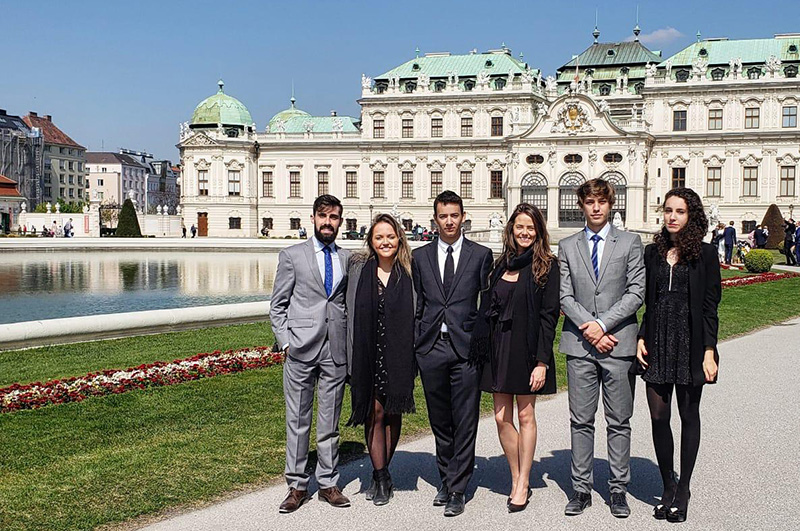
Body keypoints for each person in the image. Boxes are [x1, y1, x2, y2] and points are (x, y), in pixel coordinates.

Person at [558, 178, 645, 519]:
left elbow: (636, 292)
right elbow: (565, 295)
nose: (595, 207)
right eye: (589, 202)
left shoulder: (630, 243)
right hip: (581, 345)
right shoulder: (567, 246)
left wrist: (604, 324)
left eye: (601, 201)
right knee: (580, 420)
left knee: (619, 420)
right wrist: (592, 330)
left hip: (618, 344)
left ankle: (618, 489)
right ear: (581, 205)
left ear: (611, 205)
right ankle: (581, 488)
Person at [469, 203, 560, 513]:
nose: (525, 232)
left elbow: (549, 317)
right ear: (511, 229)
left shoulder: (546, 265)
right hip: (497, 348)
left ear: (539, 232)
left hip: (527, 349)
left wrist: (542, 362)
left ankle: (522, 483)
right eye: (520, 226)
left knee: (525, 416)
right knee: (500, 417)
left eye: (530, 228)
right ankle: (516, 473)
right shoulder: (500, 264)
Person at [637, 188, 721, 523]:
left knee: (688, 416)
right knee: (659, 417)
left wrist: (710, 350)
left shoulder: (705, 254)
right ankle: (666, 483)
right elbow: (648, 301)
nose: (672, 216)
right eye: (668, 210)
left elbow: (710, 307)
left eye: (680, 211)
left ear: (691, 216)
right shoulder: (652, 253)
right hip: (657, 340)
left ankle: (683, 488)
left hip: (690, 342)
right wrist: (642, 336)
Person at [412, 190, 493, 517]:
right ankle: (446, 478)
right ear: (435, 219)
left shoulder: (481, 255)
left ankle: (458, 487)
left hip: (465, 349)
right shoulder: (420, 256)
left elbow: (487, 304)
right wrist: (418, 342)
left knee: (465, 419)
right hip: (432, 347)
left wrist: (480, 339)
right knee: (440, 420)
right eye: (443, 216)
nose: (449, 221)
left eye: (454, 215)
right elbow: (418, 304)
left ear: (463, 218)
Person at [270, 195, 352, 514]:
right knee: (298, 419)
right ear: (313, 218)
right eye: (323, 216)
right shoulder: (292, 256)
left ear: (340, 222)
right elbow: (278, 305)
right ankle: (297, 485)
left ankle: (329, 483)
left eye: (334, 217)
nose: (328, 222)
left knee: (329, 420)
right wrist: (285, 342)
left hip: (335, 348)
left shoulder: (348, 258)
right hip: (300, 348)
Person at [346, 213, 416, 506]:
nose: (385, 241)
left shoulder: (410, 271)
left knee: (393, 412)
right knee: (374, 413)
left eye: (390, 236)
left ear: (399, 238)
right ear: (371, 241)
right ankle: (382, 475)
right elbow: (346, 309)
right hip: (368, 351)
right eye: (379, 237)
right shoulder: (358, 269)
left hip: (399, 353)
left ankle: (382, 470)